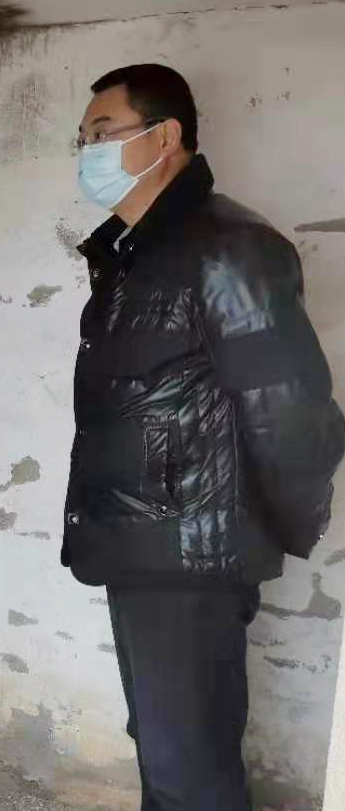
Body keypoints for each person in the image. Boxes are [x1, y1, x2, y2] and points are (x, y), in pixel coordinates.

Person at [65, 63, 345, 809]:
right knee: (165, 754)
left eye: (103, 133)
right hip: (141, 544)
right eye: (82, 138)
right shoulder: (136, 252)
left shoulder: (229, 247)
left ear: (166, 137)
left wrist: (261, 528)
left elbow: (293, 412)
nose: (87, 152)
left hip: (190, 553)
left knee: (189, 770)